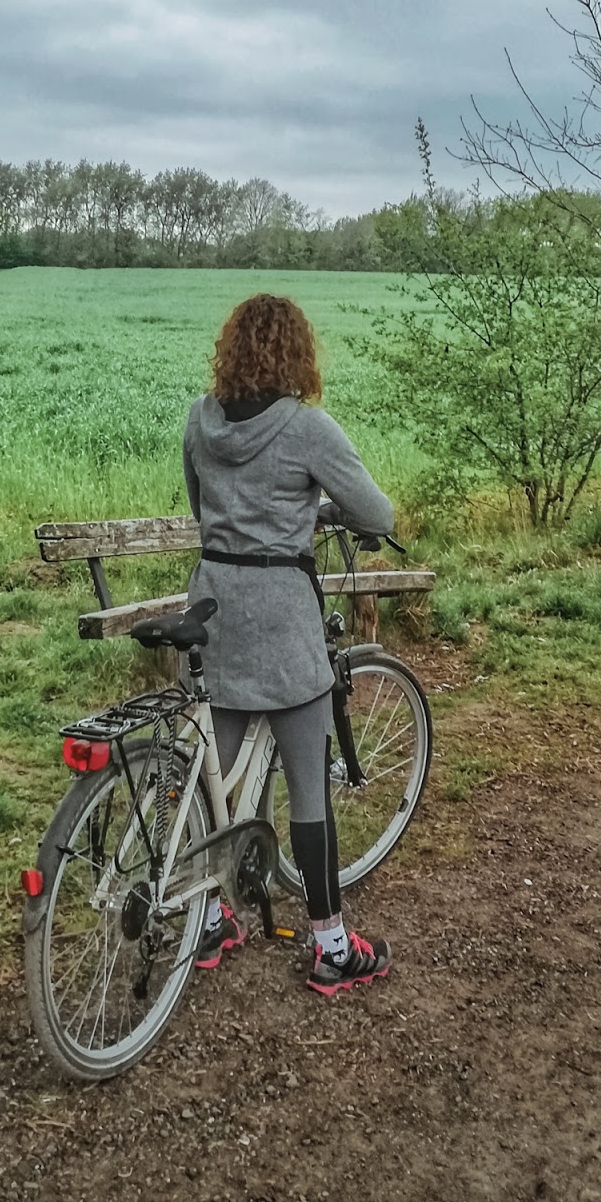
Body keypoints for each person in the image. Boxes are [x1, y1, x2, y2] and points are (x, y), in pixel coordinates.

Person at [181, 293, 396, 994]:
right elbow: (375, 512)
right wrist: (313, 506)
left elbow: (201, 507)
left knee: (220, 774)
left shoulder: (199, 419)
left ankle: (209, 917)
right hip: (281, 617)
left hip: (214, 606)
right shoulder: (307, 430)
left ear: (231, 350)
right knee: (310, 790)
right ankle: (332, 946)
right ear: (298, 353)